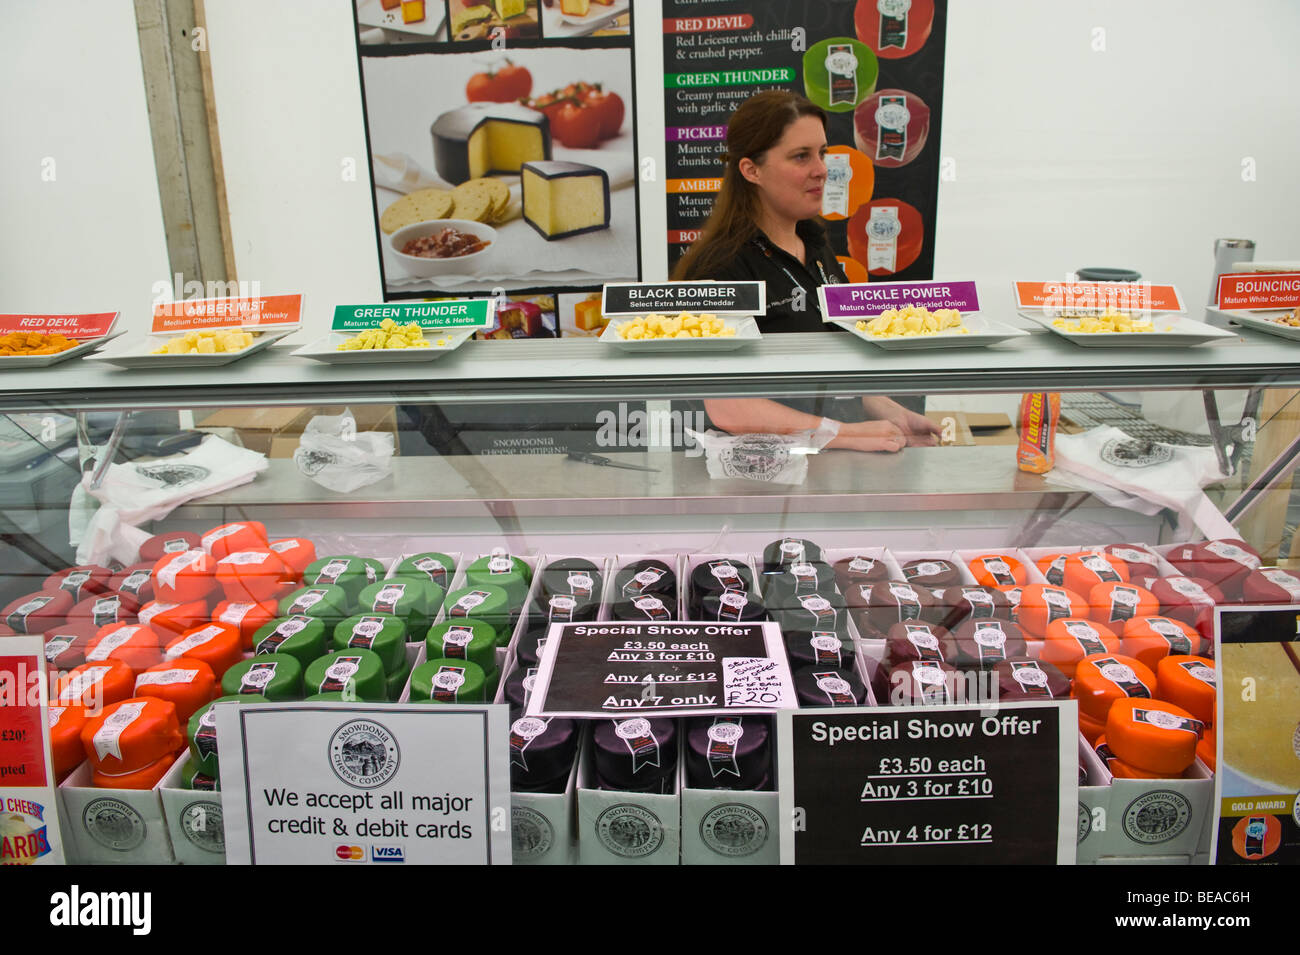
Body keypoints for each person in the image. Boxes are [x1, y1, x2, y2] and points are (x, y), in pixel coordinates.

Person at [672, 89, 939, 453]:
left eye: (822, 153)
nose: (821, 169)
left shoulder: (815, 247)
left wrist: (894, 413)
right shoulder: (719, 267)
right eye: (801, 157)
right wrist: (847, 435)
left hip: (823, 475)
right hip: (758, 485)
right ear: (751, 170)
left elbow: (832, 376)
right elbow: (728, 407)